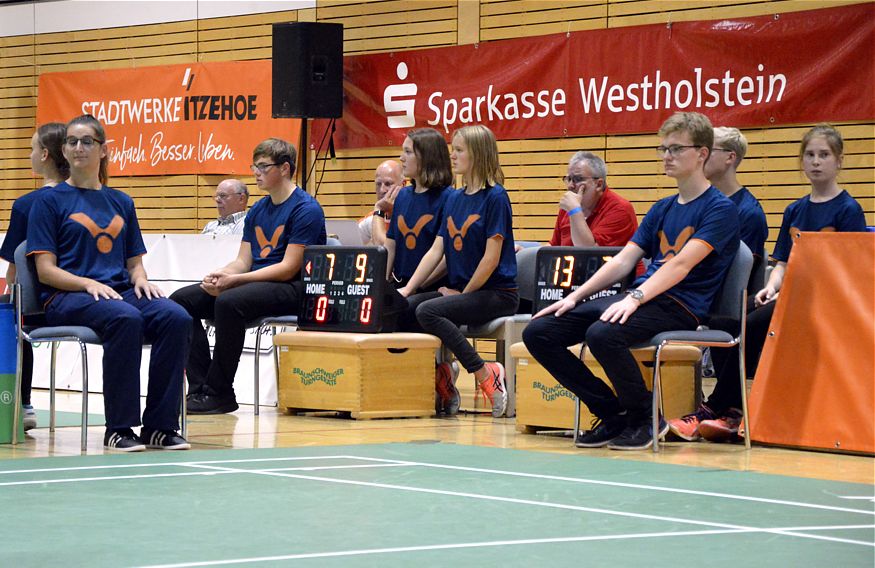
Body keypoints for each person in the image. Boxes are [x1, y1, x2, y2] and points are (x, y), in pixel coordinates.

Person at [522, 112, 740, 451]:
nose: (667, 156)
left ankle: (645, 418)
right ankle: (612, 414)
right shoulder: (663, 207)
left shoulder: (720, 209)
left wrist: (635, 297)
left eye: (676, 149)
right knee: (539, 332)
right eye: (664, 149)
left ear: (702, 153)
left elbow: (681, 265)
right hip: (646, 296)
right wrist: (574, 297)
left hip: (682, 305)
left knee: (603, 334)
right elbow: (623, 259)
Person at [669, 124, 867, 443]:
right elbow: (783, 262)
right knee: (726, 320)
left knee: (748, 326)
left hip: (828, 301)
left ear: (839, 161)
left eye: (824, 155)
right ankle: (732, 411)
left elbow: (851, 269)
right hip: (790, 297)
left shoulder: (848, 209)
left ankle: (716, 407)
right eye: (810, 155)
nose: (816, 162)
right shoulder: (795, 209)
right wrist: (772, 286)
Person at [26, 114, 192, 451]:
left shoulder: (121, 202)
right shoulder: (48, 201)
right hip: (66, 295)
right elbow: (45, 270)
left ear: (103, 150)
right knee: (125, 319)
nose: (78, 147)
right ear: (64, 150)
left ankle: (160, 426)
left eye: (87, 141)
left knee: (177, 317)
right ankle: (119, 428)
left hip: (117, 292)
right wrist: (87, 284)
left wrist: (141, 279)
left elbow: (134, 263)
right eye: (72, 141)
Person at [170, 138, 326, 414]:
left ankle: (220, 392)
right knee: (181, 301)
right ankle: (200, 388)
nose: (256, 172)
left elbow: (288, 267)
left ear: (285, 168)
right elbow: (243, 261)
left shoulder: (306, 209)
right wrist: (222, 274)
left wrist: (236, 282)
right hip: (257, 285)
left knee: (229, 302)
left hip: (294, 287)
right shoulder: (258, 211)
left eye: (264, 166)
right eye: (254, 166)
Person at [399, 125, 518, 418]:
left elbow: (490, 259)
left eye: (459, 150)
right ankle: (440, 373)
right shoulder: (454, 198)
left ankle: (484, 371)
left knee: (428, 311)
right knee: (405, 308)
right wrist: (408, 289)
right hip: (464, 292)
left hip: (497, 293)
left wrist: (462, 294)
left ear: (477, 154)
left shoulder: (496, 197)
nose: (452, 155)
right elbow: (436, 250)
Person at [0, 122, 69, 432]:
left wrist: (8, 301)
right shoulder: (87, 199)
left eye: (31, 148)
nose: (28, 155)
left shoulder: (28, 204)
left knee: (11, 320)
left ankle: (21, 401)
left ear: (44, 155)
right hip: (83, 302)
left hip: (37, 307)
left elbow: (14, 268)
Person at [704, 127, 768, 288]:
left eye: (709, 150)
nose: (701, 156)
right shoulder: (699, 203)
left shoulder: (749, 213)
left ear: (730, 157)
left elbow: (737, 276)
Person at [549, 152, 639, 248]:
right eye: (569, 179)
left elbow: (589, 253)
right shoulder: (569, 207)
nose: (570, 186)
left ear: (599, 184)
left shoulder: (620, 209)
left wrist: (575, 211)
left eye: (578, 179)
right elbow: (553, 246)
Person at [360, 160, 404, 245]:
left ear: (403, 185)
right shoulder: (370, 219)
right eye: (378, 184)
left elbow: (384, 249)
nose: (382, 190)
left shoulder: (411, 217)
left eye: (388, 184)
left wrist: (379, 208)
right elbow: (347, 243)